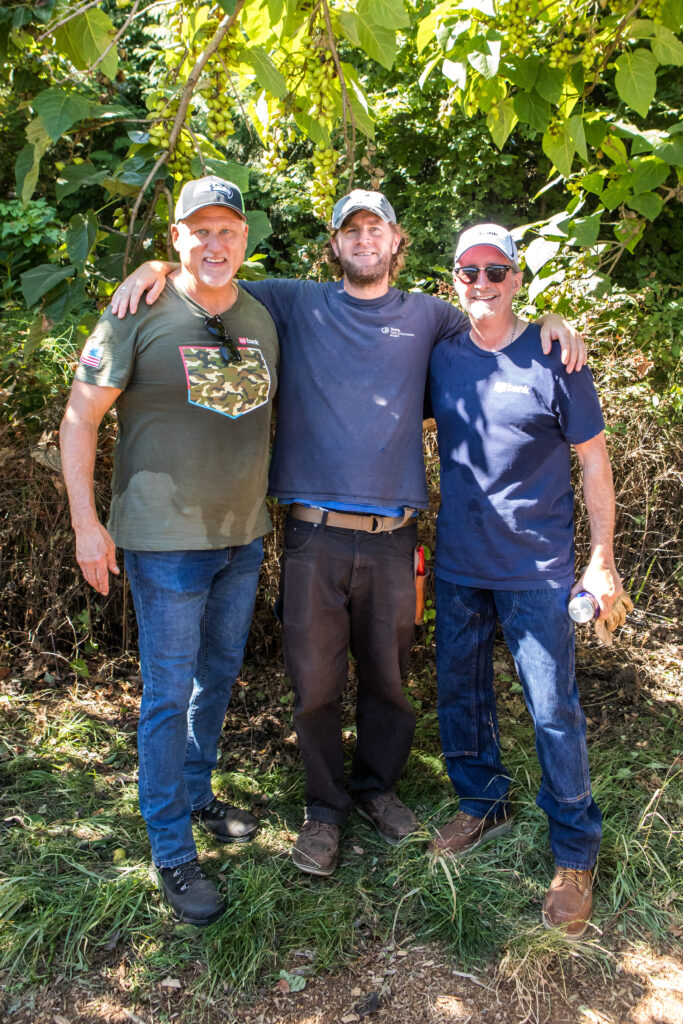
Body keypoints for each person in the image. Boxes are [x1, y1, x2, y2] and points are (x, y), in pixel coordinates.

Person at [111, 191, 585, 878]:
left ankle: (375, 789)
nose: (363, 240)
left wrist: (553, 322)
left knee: (390, 681)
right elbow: (209, 274)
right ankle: (323, 810)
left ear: (396, 240)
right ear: (334, 244)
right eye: (350, 230)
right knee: (314, 684)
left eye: (376, 229)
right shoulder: (294, 303)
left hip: (395, 537)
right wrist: (154, 264)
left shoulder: (432, 316)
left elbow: (496, 324)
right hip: (313, 535)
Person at [60, 177, 279, 925]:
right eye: (199, 231)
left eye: (228, 231)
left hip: (241, 537)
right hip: (163, 544)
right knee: (165, 694)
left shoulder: (261, 312)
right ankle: (171, 851)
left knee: (213, 677)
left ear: (244, 238)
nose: (214, 244)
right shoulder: (136, 312)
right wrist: (88, 524)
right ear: (175, 238)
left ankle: (196, 792)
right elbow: (79, 418)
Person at [428, 222, 630, 938]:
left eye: (493, 271)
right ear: (453, 279)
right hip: (456, 563)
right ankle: (481, 802)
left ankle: (575, 850)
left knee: (551, 708)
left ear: (516, 278)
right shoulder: (442, 357)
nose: (479, 284)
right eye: (466, 272)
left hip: (536, 571)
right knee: (460, 692)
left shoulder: (555, 358)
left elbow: (593, 462)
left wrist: (600, 557)